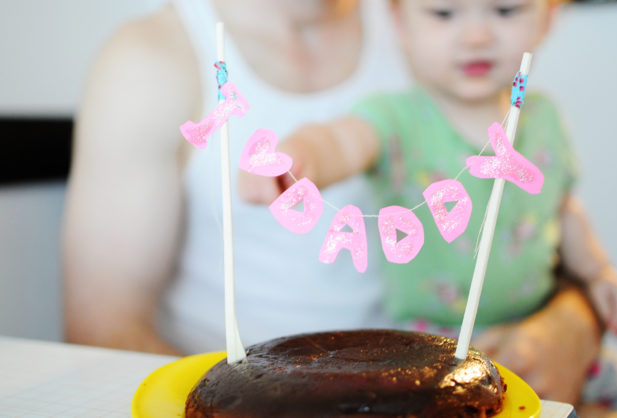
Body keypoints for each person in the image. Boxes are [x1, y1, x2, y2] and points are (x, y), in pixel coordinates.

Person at [238, 0, 617, 414]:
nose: (476, 37)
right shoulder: (396, 118)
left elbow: (562, 209)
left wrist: (597, 271)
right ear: (400, 23)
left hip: (535, 330)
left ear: (547, 19)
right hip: (430, 348)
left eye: (505, 11)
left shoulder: (544, 118)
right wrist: (301, 157)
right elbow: (341, 141)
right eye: (443, 14)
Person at [62, 0, 415, 356]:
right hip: (218, 397)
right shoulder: (150, 56)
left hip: (406, 389)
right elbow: (103, 331)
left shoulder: (430, 23)